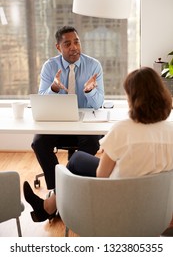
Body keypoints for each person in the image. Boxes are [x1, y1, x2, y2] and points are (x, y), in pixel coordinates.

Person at [24, 66, 173, 229]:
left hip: (119, 203)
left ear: (132, 97)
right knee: (79, 158)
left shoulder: (122, 130)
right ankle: (48, 207)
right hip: (158, 209)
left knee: (76, 160)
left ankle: (48, 207)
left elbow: (101, 177)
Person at [31, 26, 104, 190]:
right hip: (58, 122)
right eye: (67, 44)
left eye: (76, 42)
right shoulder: (50, 66)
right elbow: (41, 99)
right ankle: (58, 188)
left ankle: (68, 186)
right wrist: (54, 89)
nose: (74, 47)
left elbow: (99, 103)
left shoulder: (93, 65)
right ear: (58, 47)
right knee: (39, 143)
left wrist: (90, 91)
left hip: (85, 125)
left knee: (92, 142)